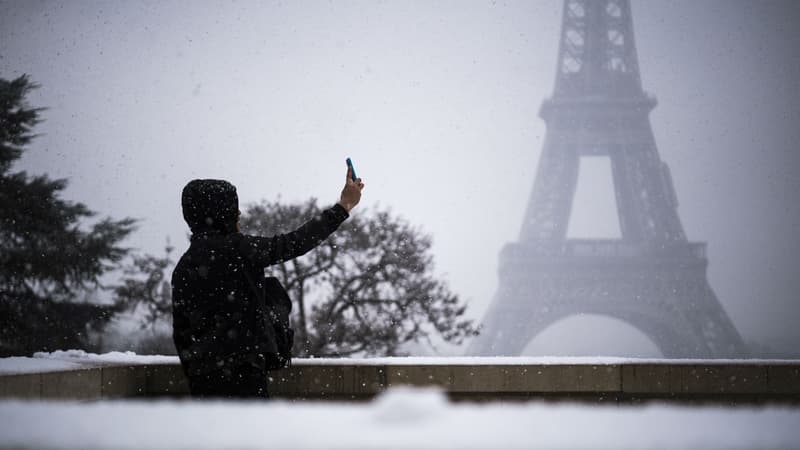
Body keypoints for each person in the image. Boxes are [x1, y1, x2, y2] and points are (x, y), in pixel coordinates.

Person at [171, 164, 363, 398]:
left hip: (202, 382)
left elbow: (180, 332)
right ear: (224, 213)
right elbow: (296, 242)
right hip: (244, 379)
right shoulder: (238, 249)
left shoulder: (184, 266)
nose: (239, 214)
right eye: (234, 209)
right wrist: (344, 207)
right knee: (273, 291)